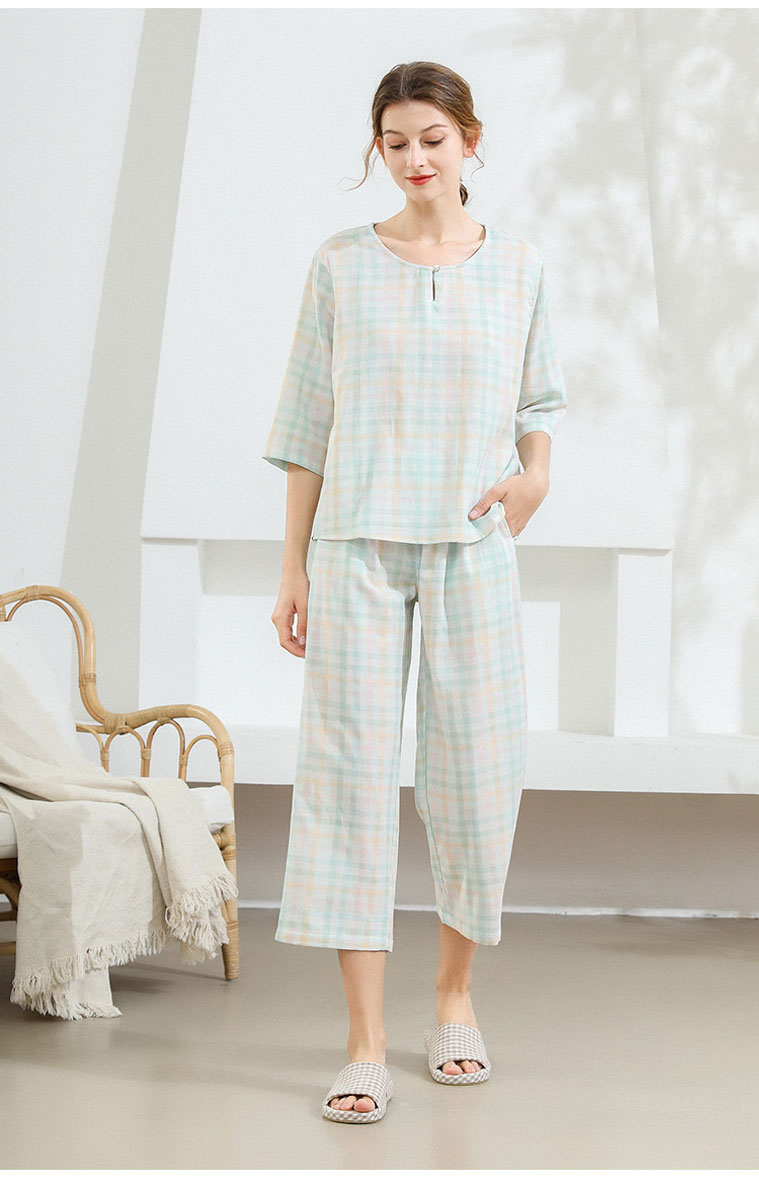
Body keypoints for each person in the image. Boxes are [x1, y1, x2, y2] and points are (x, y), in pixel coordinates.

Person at [262, 61, 567, 1124]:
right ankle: (361, 1043)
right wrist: (292, 565)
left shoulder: (518, 265)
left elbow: (538, 401)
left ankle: (452, 1001)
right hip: (354, 546)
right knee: (348, 781)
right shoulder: (341, 265)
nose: (414, 157)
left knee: (477, 777)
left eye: (432, 137)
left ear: (470, 139)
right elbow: (307, 425)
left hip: (471, 547)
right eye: (394, 141)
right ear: (378, 150)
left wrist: (534, 477)